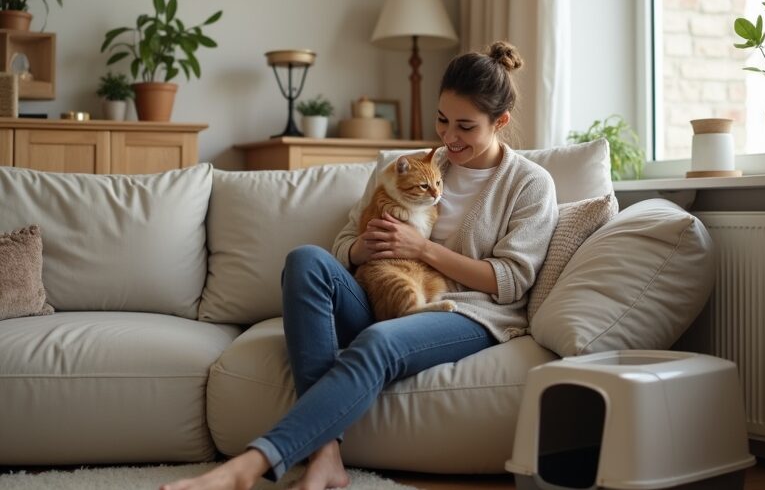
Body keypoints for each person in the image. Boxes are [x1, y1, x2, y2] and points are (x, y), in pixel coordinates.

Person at [162, 41, 559, 490]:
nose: (448, 138)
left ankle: (249, 466)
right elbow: (344, 243)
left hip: (465, 311)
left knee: (377, 341)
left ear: (500, 122)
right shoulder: (411, 166)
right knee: (305, 260)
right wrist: (360, 251)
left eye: (465, 127)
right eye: (442, 120)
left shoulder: (530, 184)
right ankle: (326, 454)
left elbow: (510, 281)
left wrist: (421, 248)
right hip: (378, 291)